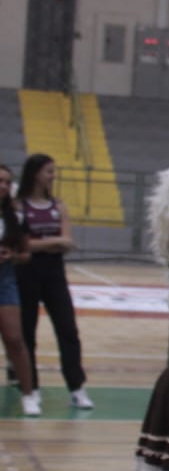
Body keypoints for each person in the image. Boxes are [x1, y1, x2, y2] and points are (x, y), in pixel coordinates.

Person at [15, 154, 92, 410]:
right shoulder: (19, 206)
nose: (53, 175)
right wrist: (54, 242)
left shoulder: (59, 206)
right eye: (49, 171)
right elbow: (21, 244)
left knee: (68, 329)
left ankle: (77, 387)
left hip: (54, 272)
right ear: (35, 173)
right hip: (26, 271)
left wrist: (48, 243)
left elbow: (67, 241)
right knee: (27, 331)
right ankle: (31, 388)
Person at [0, 164, 40, 417]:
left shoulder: (16, 217)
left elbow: (26, 253)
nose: (3, 186)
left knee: (15, 339)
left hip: (5, 279)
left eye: (7, 182)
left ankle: (28, 394)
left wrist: (12, 254)